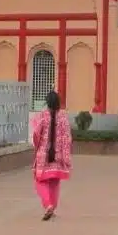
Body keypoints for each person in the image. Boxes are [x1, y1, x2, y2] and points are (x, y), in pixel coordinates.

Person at [31, 90, 72, 220]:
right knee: (55, 183)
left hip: (44, 156)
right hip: (58, 157)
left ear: (47, 102)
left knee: (40, 181)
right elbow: (68, 138)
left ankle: (48, 205)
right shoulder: (63, 117)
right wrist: (66, 157)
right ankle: (52, 207)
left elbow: (36, 134)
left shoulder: (42, 116)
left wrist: (37, 146)